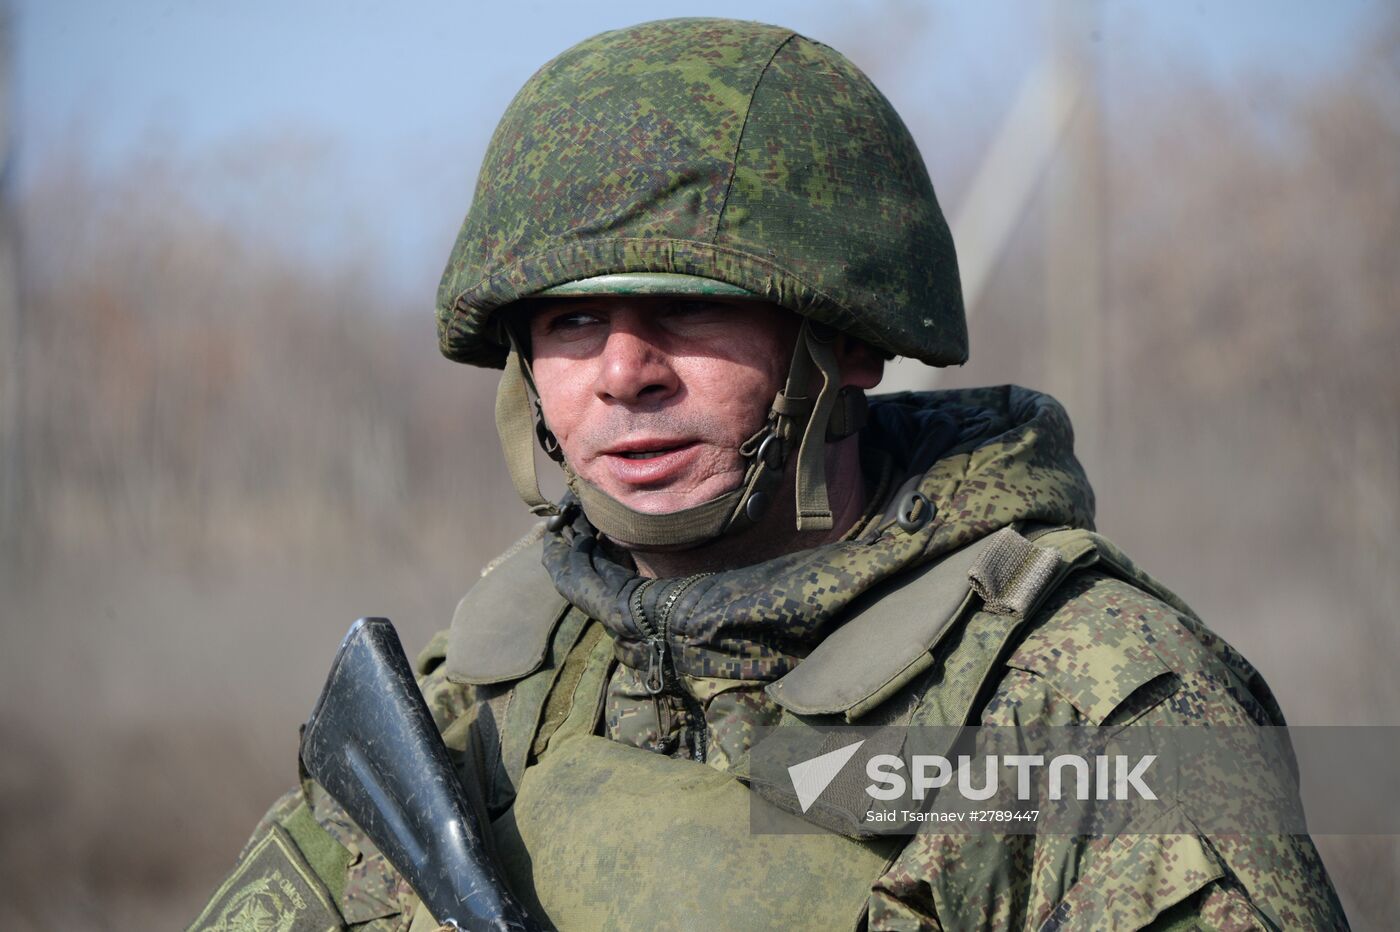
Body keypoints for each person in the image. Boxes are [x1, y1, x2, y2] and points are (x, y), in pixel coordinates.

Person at [192, 17, 1348, 931]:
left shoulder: (1094, 700)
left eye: (691, 308)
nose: (622, 371)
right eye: (571, 320)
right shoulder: (491, 685)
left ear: (844, 340)